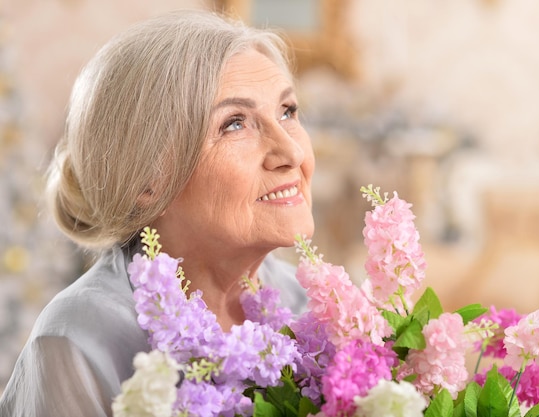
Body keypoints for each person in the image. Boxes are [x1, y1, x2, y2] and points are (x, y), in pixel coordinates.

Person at [0, 9, 314, 417]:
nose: (292, 152)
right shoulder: (76, 341)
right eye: (234, 124)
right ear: (148, 180)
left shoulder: (312, 309)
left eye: (287, 111)